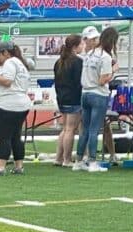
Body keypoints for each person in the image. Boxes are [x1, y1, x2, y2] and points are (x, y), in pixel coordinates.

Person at [75, 26, 116, 172]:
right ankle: (92, 161)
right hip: (98, 94)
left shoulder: (89, 54)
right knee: (94, 130)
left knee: (85, 130)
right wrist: (113, 71)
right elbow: (102, 80)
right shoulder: (105, 57)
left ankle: (79, 160)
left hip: (85, 93)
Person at [0, 41, 30, 176]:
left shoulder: (9, 63)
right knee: (16, 136)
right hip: (22, 104)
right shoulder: (21, 64)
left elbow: (7, 81)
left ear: (5, 53)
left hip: (8, 104)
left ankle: (0, 167)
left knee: (4, 137)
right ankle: (19, 166)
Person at [52, 34, 82, 168]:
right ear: (75, 47)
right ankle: (67, 159)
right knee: (70, 129)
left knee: (65, 128)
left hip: (62, 97)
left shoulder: (59, 62)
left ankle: (58, 158)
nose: (83, 46)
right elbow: (78, 82)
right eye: (81, 44)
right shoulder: (77, 62)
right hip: (73, 98)